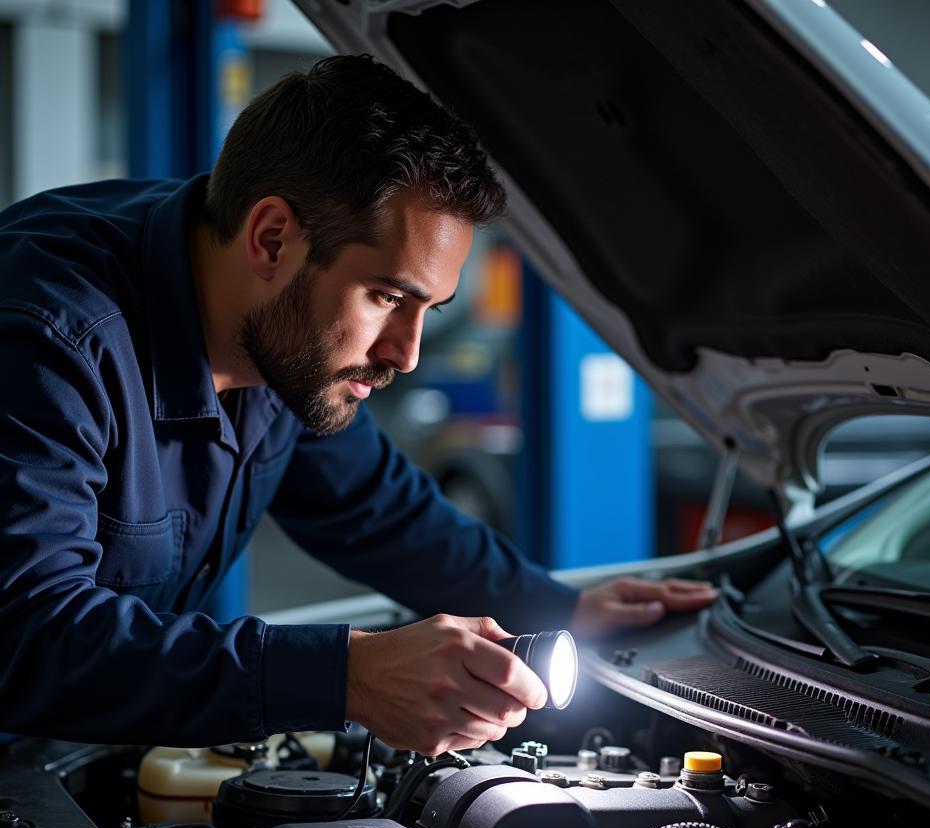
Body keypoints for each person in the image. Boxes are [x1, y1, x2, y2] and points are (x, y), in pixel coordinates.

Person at [0, 56, 716, 755]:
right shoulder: (46, 336)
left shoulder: (279, 333)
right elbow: (25, 634)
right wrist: (346, 677)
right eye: (387, 297)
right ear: (272, 237)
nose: (406, 353)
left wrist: (558, 608)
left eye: (429, 308)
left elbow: (375, 506)